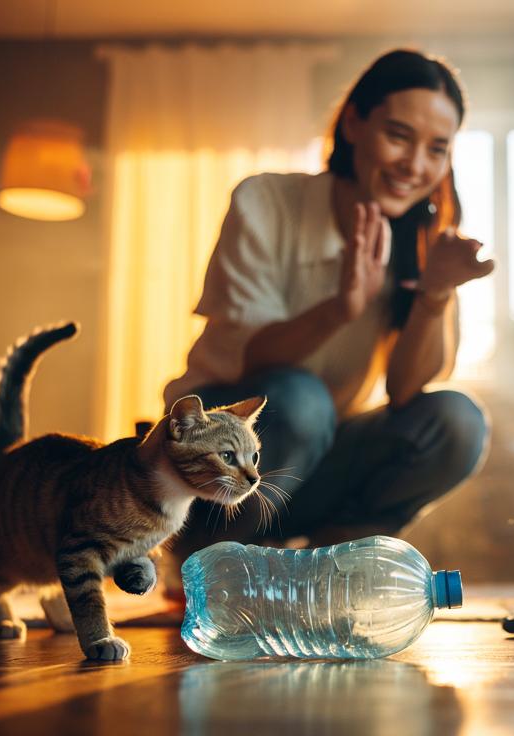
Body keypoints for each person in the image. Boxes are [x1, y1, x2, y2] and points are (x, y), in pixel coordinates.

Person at [163, 49, 493, 560]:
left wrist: (434, 294)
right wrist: (341, 307)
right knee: (299, 399)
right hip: (216, 461)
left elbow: (408, 389)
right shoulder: (266, 202)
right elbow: (255, 361)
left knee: (457, 419)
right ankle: (208, 560)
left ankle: (328, 562)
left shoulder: (427, 241)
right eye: (399, 136)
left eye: (437, 149)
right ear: (355, 123)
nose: (415, 165)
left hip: (315, 466)